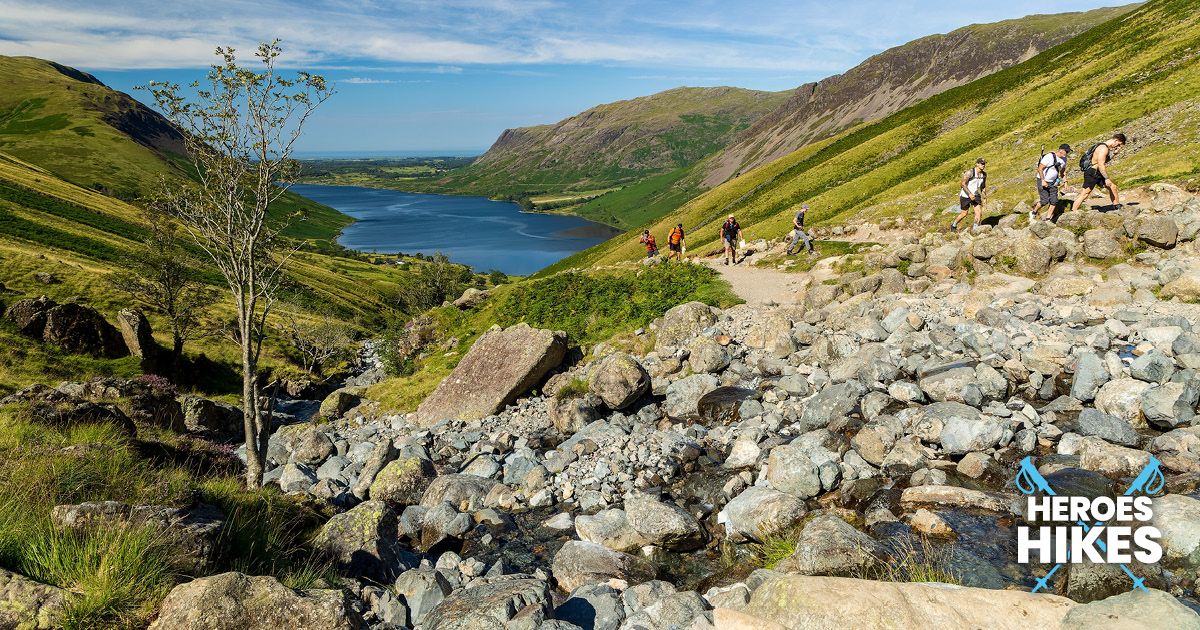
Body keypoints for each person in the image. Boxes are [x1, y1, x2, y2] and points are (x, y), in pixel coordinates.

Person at [1068, 133, 1126, 215]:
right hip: (1092, 173)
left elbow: (1104, 160)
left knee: (1112, 187)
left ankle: (1117, 207)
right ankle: (1073, 212)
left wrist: (1115, 153)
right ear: (1116, 140)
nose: (1117, 146)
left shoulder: (1102, 146)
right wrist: (1106, 178)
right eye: (1119, 144)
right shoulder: (1103, 148)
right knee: (1085, 193)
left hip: (1097, 172)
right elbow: (1101, 164)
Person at [1033, 144, 1072, 222]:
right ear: (1061, 150)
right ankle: (1034, 212)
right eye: (1066, 151)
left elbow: (1062, 172)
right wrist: (1043, 180)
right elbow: (1040, 169)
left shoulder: (1064, 159)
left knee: (1054, 201)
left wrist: (1065, 182)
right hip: (1042, 180)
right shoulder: (1049, 156)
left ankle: (1047, 219)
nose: (1067, 153)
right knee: (1044, 201)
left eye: (1068, 151)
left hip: (1053, 182)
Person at [951, 158, 987, 232]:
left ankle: (975, 229)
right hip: (965, 195)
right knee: (964, 213)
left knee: (978, 212)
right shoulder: (970, 172)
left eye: (984, 163)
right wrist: (969, 194)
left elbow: (983, 186)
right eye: (981, 163)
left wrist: (985, 197)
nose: (983, 165)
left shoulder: (984, 174)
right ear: (977, 164)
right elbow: (962, 184)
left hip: (976, 195)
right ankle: (953, 225)